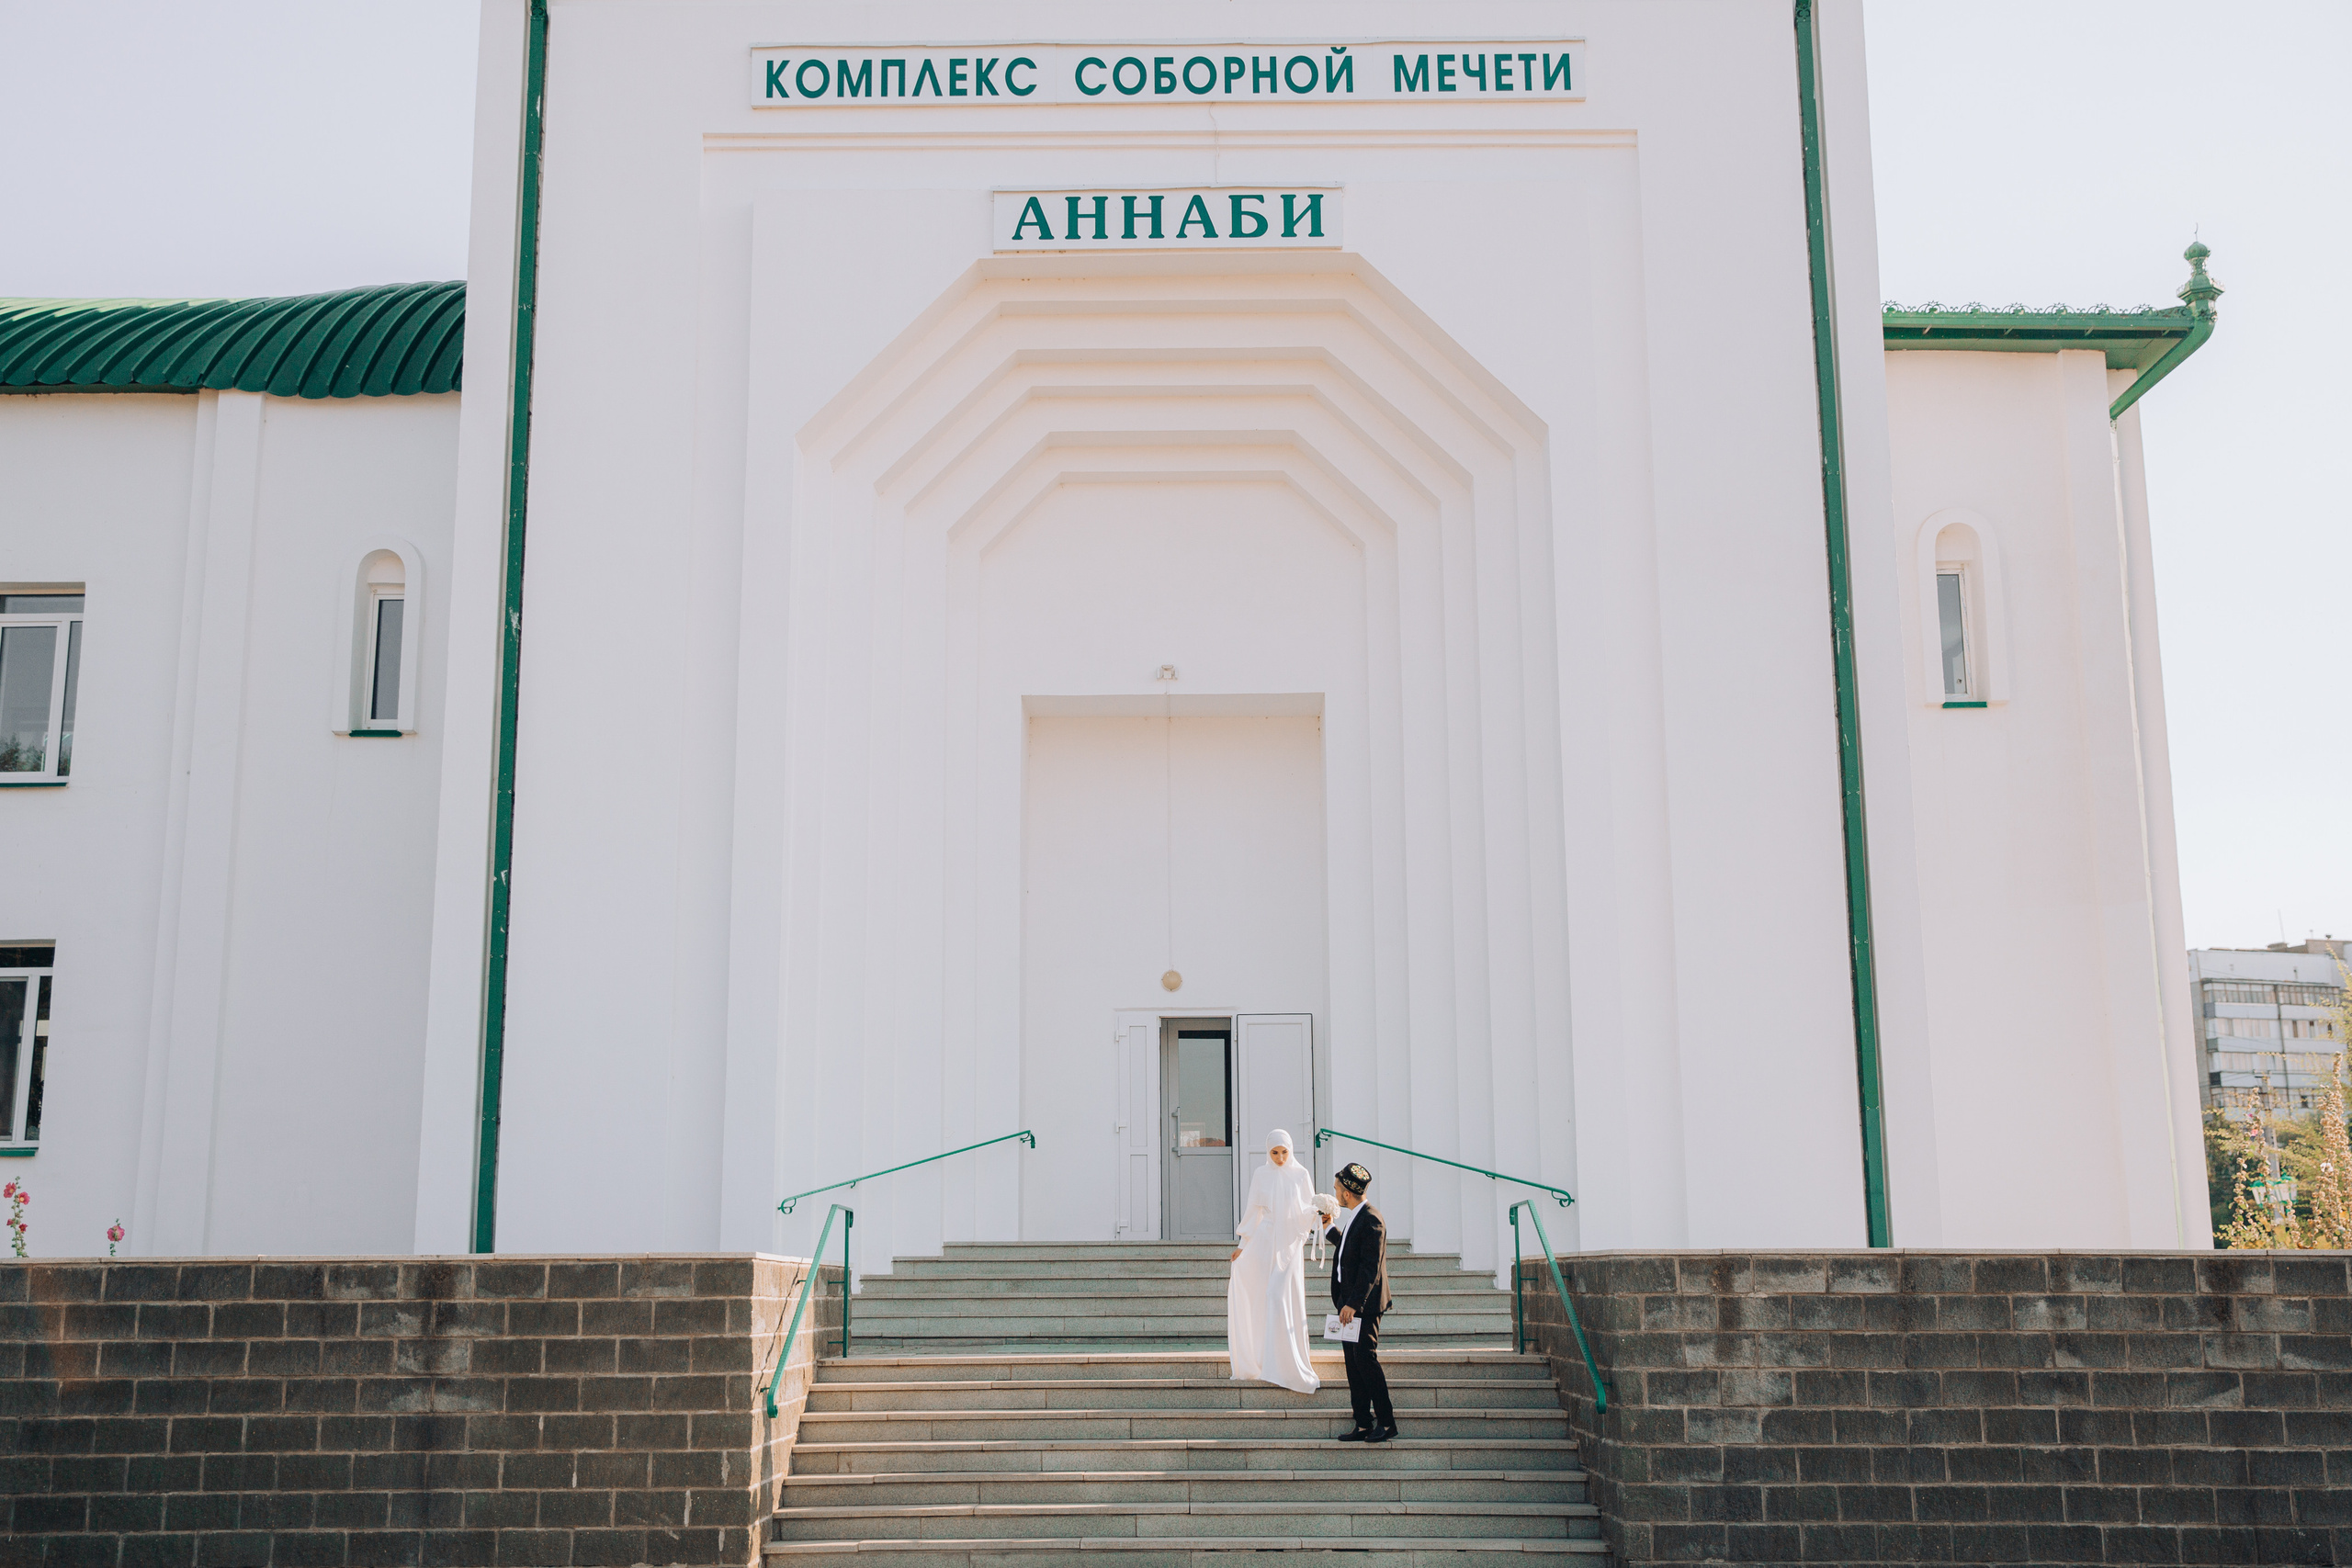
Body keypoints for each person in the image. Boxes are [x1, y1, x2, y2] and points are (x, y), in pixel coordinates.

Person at [1227, 1129, 1330, 1393]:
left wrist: (1321, 1214)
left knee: (1278, 1295)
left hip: (1290, 1242)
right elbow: (1254, 1211)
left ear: (1291, 1150)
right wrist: (1242, 1246)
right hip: (1265, 1238)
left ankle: (1285, 1364)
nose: (1280, 1157)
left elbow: (1308, 1208)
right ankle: (1265, 1361)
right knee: (1261, 1294)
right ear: (1268, 1152)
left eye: (1284, 1152)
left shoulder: (1301, 1174)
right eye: (1275, 1152)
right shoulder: (1261, 1174)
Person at [1325, 1161, 1396, 1441]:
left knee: (1366, 1360)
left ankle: (1387, 1422)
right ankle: (1363, 1423)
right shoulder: (1357, 1215)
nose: (1335, 1192)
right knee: (1353, 1364)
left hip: (1363, 1306)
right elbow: (1350, 1248)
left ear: (1347, 1193)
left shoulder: (1372, 1218)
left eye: (1337, 1188)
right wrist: (1329, 1228)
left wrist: (1353, 1304)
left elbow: (1370, 1267)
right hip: (1348, 1304)